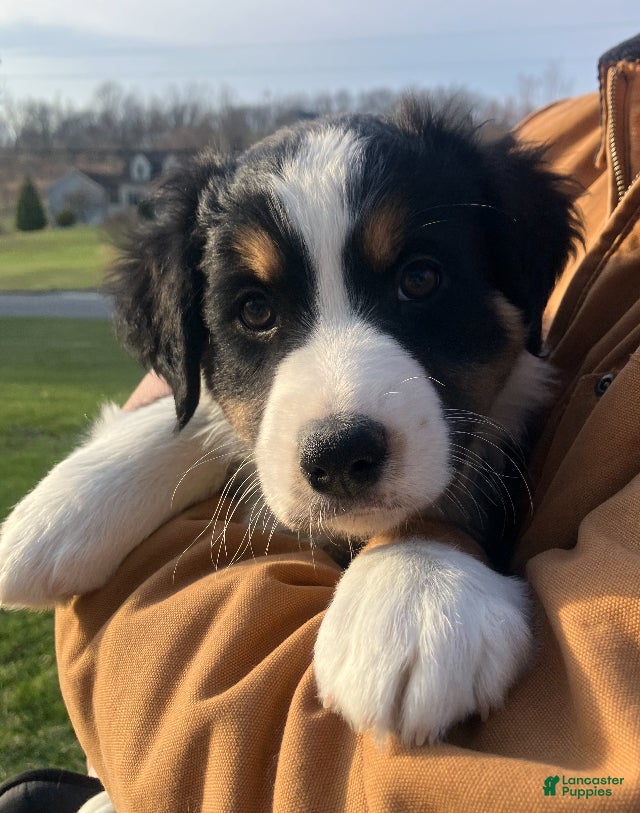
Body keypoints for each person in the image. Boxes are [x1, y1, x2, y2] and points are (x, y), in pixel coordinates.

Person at [5, 34, 640, 812]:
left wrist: (432, 540)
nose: (342, 401)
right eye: (256, 308)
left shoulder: (500, 200)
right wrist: (146, 453)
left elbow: (578, 774)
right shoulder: (582, 129)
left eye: (418, 276)